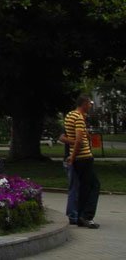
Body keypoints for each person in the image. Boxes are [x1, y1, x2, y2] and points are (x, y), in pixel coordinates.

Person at [64, 94, 100, 228]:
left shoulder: (69, 115)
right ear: (84, 104)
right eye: (89, 104)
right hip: (84, 157)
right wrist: (72, 157)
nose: (90, 106)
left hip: (78, 158)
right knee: (94, 186)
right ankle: (87, 216)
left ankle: (80, 216)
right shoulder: (78, 117)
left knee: (84, 187)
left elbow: (68, 136)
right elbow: (78, 140)